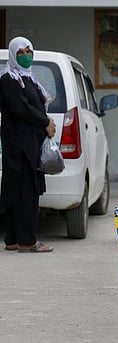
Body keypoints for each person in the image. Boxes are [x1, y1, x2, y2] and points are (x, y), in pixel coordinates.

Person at [0, 36, 56, 252]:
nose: (25, 56)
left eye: (28, 51)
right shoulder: (8, 80)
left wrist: (46, 122)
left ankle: (13, 239)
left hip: (29, 144)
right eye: (20, 52)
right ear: (13, 55)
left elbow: (35, 105)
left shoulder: (28, 79)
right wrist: (45, 122)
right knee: (24, 193)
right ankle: (27, 241)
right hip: (20, 146)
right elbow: (21, 108)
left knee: (20, 191)